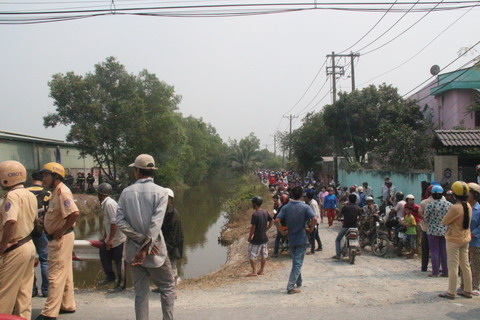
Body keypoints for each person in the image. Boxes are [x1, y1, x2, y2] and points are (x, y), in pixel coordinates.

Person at [116, 154, 175, 320]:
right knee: (168, 287)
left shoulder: (126, 193)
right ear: (152, 171)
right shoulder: (161, 192)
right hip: (155, 251)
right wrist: (146, 246)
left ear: (136, 171)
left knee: (141, 293)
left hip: (134, 251)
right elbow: (156, 223)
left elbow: (119, 221)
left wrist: (140, 243)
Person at [36, 162, 80, 320]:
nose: (43, 178)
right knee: (65, 272)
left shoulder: (62, 192)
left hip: (60, 238)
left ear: (55, 177)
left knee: (54, 275)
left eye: (46, 175)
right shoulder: (55, 191)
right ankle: (67, 304)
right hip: (62, 237)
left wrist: (60, 229)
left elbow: (74, 213)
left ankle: (49, 313)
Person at [0, 160, 37, 320]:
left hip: (14, 247)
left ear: (6, 178)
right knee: (24, 292)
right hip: (28, 244)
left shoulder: (12, 196)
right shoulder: (30, 195)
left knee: (4, 293)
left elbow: (10, 221)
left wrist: (3, 245)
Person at [275, 186, 316, 294]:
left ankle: (298, 281)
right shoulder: (305, 207)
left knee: (296, 261)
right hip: (302, 237)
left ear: (291, 195)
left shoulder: (286, 207)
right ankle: (290, 286)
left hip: (291, 237)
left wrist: (282, 232)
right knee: (298, 262)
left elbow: (277, 220)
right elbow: (315, 218)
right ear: (301, 195)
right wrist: (311, 229)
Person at [439, 181, 473, 300]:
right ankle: (468, 290)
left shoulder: (455, 208)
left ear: (454, 195)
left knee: (453, 266)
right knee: (465, 264)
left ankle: (451, 292)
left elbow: (444, 221)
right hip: (465, 237)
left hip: (454, 239)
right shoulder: (468, 205)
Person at [153, 188, 184, 295]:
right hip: (163, 244)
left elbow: (175, 235)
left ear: (171, 200)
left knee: (172, 267)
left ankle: (172, 290)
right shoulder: (161, 212)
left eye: (167, 199)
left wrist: (167, 247)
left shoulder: (173, 214)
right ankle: (162, 287)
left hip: (172, 246)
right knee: (161, 268)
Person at [97, 182, 126, 290]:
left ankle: (121, 285)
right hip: (112, 237)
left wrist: (110, 239)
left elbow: (114, 223)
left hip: (118, 239)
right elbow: (107, 223)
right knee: (103, 252)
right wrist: (105, 236)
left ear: (100, 194)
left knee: (119, 262)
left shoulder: (109, 204)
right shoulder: (105, 204)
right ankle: (110, 276)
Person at [27, 170, 51, 298]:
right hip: (42, 230)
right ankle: (46, 290)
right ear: (43, 179)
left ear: (32, 179)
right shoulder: (48, 193)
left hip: (27, 231)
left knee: (29, 261)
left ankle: (32, 290)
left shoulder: (24, 192)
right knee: (45, 260)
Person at [424, 185, 451, 277]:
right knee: (444, 251)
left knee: (434, 251)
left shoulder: (430, 205)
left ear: (432, 195)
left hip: (432, 231)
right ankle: (445, 272)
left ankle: (435, 272)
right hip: (445, 231)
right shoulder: (448, 205)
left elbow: (426, 218)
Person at [459, 183, 480, 296]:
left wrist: (473, 234)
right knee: (463, 264)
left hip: (476, 242)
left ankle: (475, 286)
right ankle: (463, 285)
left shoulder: (479, 209)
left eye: (469, 192)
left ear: (475, 194)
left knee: (475, 265)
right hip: (463, 241)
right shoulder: (463, 207)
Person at [247, 196, 273, 276]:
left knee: (252, 255)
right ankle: (261, 270)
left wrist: (250, 237)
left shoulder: (255, 215)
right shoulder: (265, 212)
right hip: (264, 238)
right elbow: (272, 220)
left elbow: (253, 228)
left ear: (255, 204)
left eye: (252, 203)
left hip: (257, 239)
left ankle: (254, 271)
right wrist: (267, 229)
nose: (252, 204)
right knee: (264, 254)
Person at [332, 194, 360, 260]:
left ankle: (338, 255)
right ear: (356, 200)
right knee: (358, 238)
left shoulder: (345, 207)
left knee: (338, 240)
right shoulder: (358, 208)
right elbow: (361, 217)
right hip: (354, 227)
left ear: (349, 200)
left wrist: (337, 218)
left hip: (346, 227)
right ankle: (358, 249)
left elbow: (339, 215)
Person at [418, 185, 434, 272]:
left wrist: (426, 218)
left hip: (426, 228)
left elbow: (420, 213)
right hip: (440, 230)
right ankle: (437, 267)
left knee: (425, 249)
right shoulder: (444, 201)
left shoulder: (424, 202)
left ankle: (424, 267)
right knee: (437, 250)